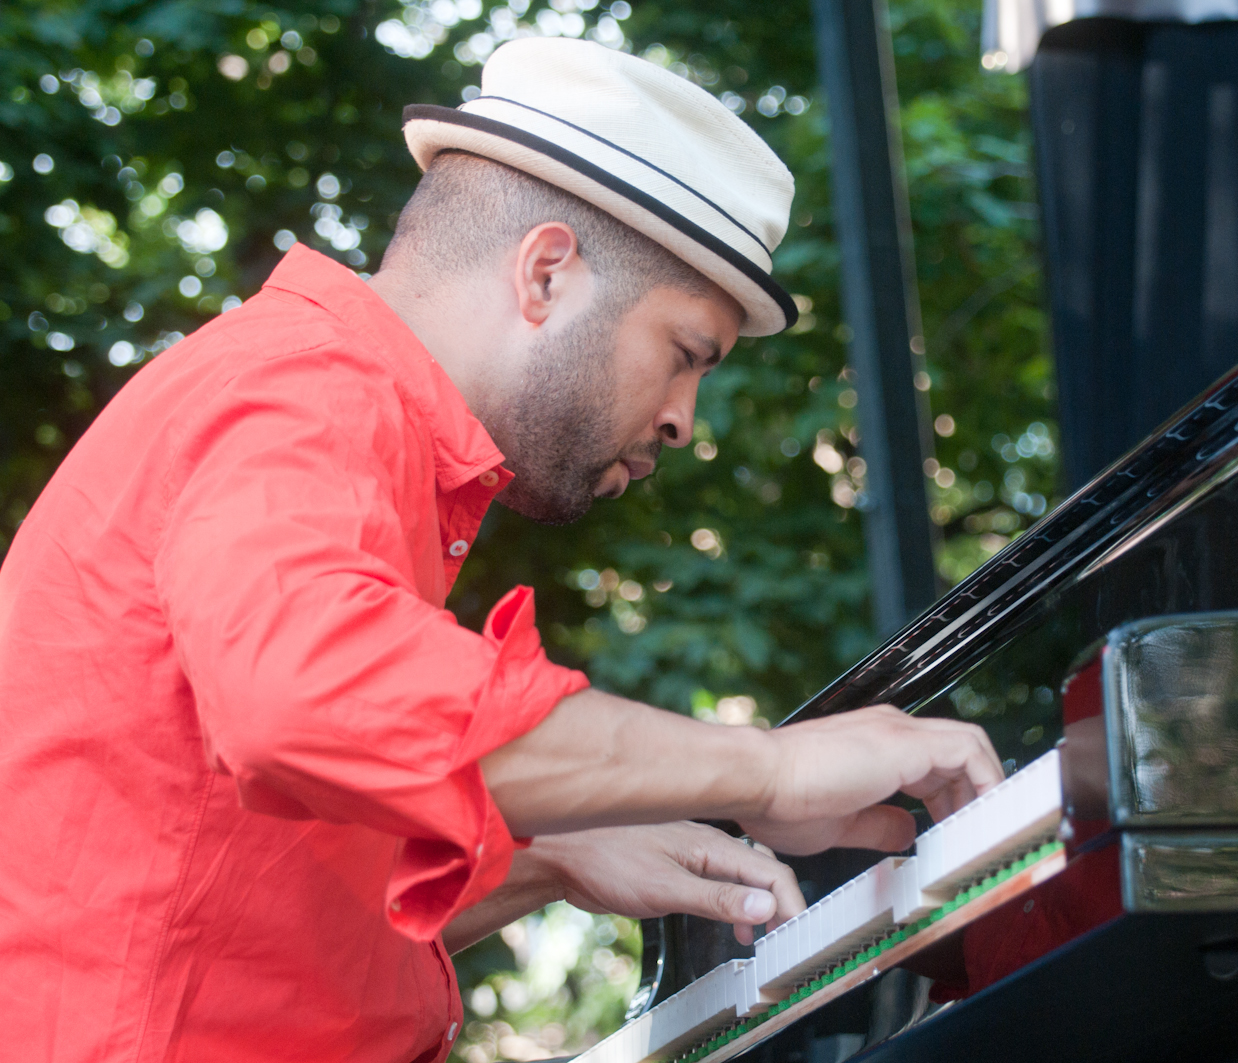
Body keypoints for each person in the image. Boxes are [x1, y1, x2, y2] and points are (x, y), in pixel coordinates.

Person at [0, 36, 1002, 1063]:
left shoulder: (333, 417)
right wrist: (765, 768)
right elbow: (311, 695)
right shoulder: (305, 393)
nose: (682, 421)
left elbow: (249, 906)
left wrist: (550, 857)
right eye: (683, 355)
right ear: (546, 272)